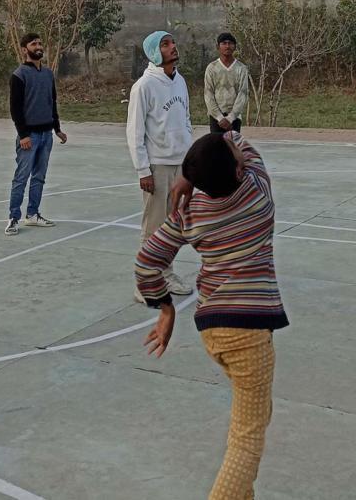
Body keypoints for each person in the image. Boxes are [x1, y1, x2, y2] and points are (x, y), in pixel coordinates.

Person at [137, 131, 288, 500]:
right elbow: (236, 136)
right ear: (237, 170)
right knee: (247, 440)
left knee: (255, 413)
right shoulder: (257, 191)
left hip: (213, 330)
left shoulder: (190, 213)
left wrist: (165, 308)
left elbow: (146, 263)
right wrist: (191, 174)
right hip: (249, 333)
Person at [126, 30, 194, 301]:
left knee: (173, 227)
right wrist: (143, 170)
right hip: (157, 166)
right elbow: (135, 132)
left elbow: (186, 118)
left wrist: (188, 159)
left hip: (180, 165)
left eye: (173, 42)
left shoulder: (180, 81)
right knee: (153, 228)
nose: (173, 47)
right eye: (165, 44)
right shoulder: (144, 86)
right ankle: (143, 283)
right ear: (155, 52)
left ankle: (166, 274)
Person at [6, 32, 67, 235]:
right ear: (25, 49)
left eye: (40, 43)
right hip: (29, 136)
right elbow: (15, 109)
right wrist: (23, 135)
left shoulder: (48, 74)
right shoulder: (19, 75)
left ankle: (32, 214)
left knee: (39, 177)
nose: (39, 46)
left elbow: (52, 102)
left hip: (46, 135)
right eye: (34, 44)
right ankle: (13, 218)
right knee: (21, 178)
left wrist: (57, 129)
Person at [204, 32, 249, 134]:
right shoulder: (211, 68)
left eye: (230, 43)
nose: (227, 46)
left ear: (235, 47)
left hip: (234, 119)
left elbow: (243, 94)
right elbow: (208, 94)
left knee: (232, 144)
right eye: (224, 43)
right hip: (216, 119)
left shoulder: (241, 68)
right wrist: (220, 117)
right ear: (218, 47)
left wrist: (230, 118)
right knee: (216, 144)